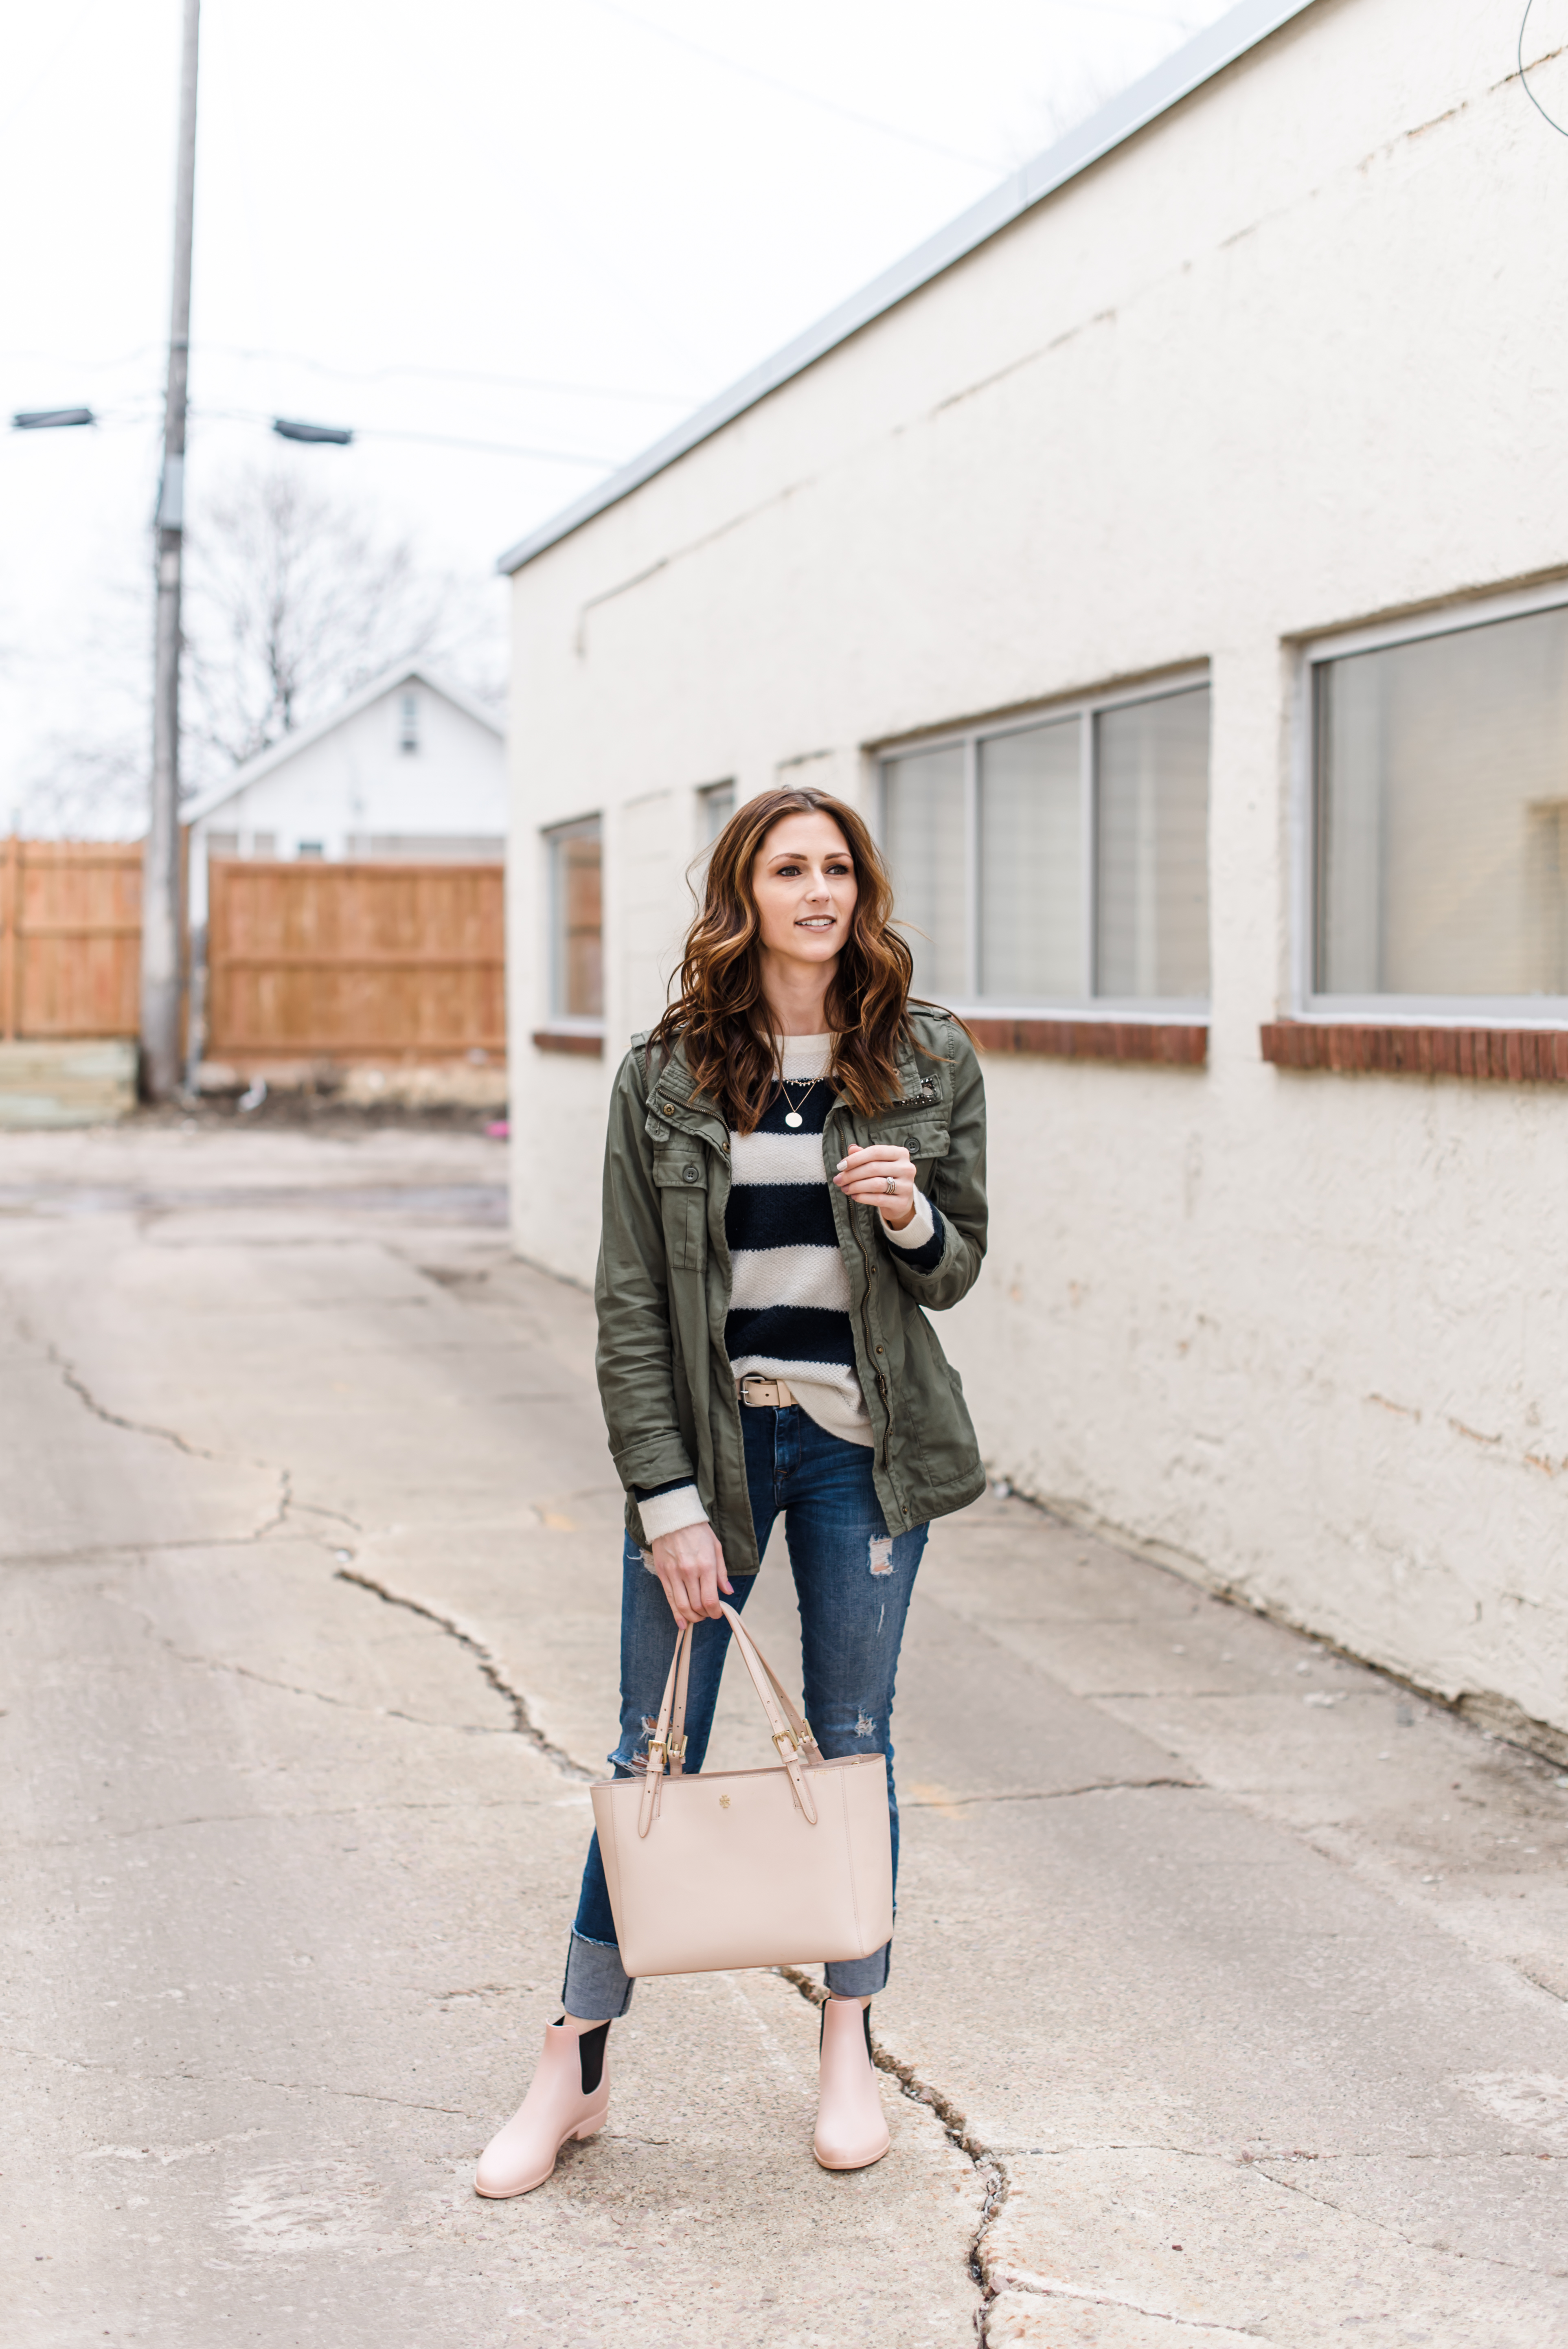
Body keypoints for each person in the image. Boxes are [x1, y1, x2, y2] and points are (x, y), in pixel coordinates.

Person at [475, 786, 988, 2198]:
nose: (818, 889)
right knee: (654, 1747)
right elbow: (631, 1304)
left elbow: (957, 1263)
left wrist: (907, 1214)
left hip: (858, 1451)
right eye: (789, 868)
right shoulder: (669, 1073)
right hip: (713, 1455)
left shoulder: (924, 1055)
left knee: (851, 1743)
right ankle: (568, 2064)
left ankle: (846, 2049)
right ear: (743, 892)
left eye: (837, 867)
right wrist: (664, 1499)